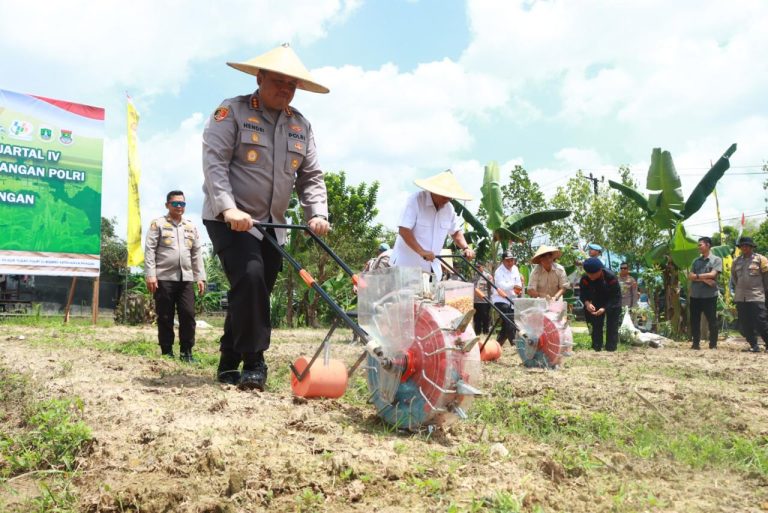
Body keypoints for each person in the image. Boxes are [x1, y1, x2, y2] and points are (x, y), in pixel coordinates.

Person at [202, 44, 330, 389]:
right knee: (251, 276)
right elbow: (214, 162)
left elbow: (311, 176)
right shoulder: (233, 112)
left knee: (255, 290)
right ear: (260, 78)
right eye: (278, 81)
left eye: (291, 85)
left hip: (272, 224)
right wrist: (228, 207)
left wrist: (316, 213)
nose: (284, 90)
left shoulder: (299, 125)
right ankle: (255, 361)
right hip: (228, 217)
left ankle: (229, 358)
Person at [144, 191, 206, 361]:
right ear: (167, 205)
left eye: (182, 204)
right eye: (175, 203)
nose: (179, 207)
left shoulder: (190, 226)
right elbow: (150, 250)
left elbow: (196, 253)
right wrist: (151, 275)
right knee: (165, 316)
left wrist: (200, 277)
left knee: (188, 314)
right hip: (164, 278)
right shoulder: (158, 224)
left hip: (186, 278)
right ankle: (167, 352)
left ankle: (187, 352)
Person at [389, 170, 475, 281]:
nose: (448, 199)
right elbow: (404, 230)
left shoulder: (449, 209)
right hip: (406, 269)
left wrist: (466, 247)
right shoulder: (415, 201)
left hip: (432, 271)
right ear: (434, 191)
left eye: (450, 197)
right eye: (445, 196)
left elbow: (455, 232)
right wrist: (421, 251)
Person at [731, 237, 768, 353]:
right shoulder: (736, 261)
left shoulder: (761, 259)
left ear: (752, 247)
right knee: (745, 323)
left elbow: (766, 279)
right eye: (742, 246)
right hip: (741, 296)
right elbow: (735, 278)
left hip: (757, 295)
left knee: (761, 321)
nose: (744, 248)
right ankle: (753, 345)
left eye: (747, 245)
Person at [687, 237, 722, 350]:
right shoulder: (696, 261)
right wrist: (705, 279)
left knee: (712, 320)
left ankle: (713, 345)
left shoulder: (716, 260)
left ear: (708, 245)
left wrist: (697, 277)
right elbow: (690, 276)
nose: (698, 247)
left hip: (710, 296)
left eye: (700, 245)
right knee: (694, 321)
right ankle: (695, 344)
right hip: (695, 295)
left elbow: (713, 275)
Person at [579, 257, 622, 352]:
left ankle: (611, 349)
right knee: (595, 324)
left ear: (600, 270)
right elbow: (583, 293)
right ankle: (596, 347)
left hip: (611, 301)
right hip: (595, 301)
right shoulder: (585, 278)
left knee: (612, 325)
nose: (590, 276)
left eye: (593, 274)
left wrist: (605, 308)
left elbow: (615, 297)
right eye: (588, 274)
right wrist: (587, 304)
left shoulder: (611, 278)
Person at [490, 250, 523, 346]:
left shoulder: (515, 269)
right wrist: (513, 285)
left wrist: (516, 287)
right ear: (503, 261)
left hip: (512, 299)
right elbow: (501, 286)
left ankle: (498, 343)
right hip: (500, 299)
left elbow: (519, 283)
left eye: (512, 260)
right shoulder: (498, 272)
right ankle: (515, 344)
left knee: (508, 321)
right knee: (509, 319)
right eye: (508, 261)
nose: (510, 263)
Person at [472, 263, 493, 334]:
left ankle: (485, 332)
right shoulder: (474, 277)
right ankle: (477, 332)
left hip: (485, 301)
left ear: (482, 267)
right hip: (476, 301)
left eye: (479, 267)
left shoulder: (488, 276)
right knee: (477, 318)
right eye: (476, 267)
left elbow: (491, 288)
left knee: (485, 318)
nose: (477, 268)